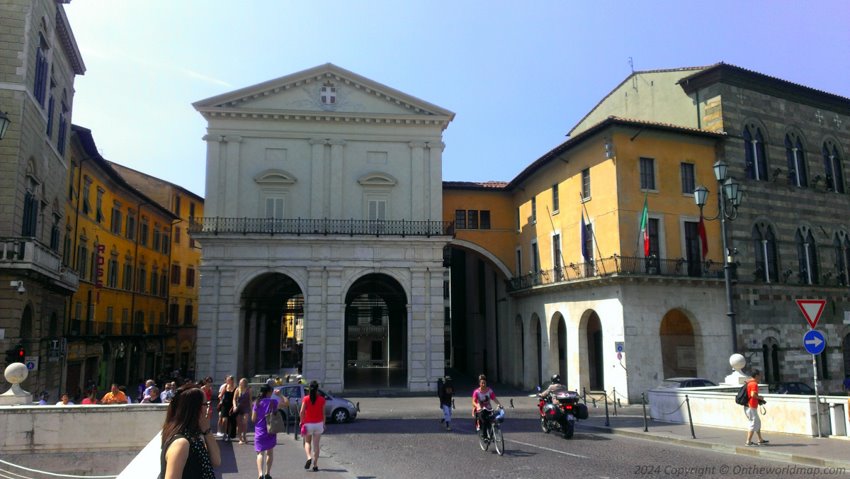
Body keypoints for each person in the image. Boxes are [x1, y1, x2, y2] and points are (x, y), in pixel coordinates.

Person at [160, 383, 221, 479]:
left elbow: (216, 461)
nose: (208, 409)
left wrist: (206, 430)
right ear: (197, 408)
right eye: (206, 404)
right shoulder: (181, 443)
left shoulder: (194, 436)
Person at [252, 384, 288, 479]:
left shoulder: (257, 403)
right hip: (271, 430)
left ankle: (260, 474)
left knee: (260, 453)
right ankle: (267, 473)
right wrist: (280, 395)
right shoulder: (273, 402)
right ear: (268, 392)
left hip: (259, 431)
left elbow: (253, 419)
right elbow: (286, 403)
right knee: (270, 452)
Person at [300, 381, 326, 472]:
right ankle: (315, 465)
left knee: (307, 442)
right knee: (316, 445)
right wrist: (324, 423)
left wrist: (301, 421)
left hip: (308, 424)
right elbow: (323, 414)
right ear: (317, 388)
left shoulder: (306, 399)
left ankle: (308, 457)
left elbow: (302, 412)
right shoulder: (322, 399)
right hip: (318, 424)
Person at [744, 369, 768, 446]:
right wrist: (760, 398)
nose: (761, 376)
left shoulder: (749, 383)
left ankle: (760, 439)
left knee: (757, 422)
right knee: (753, 423)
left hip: (749, 406)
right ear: (757, 376)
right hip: (751, 406)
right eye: (760, 375)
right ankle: (748, 442)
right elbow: (752, 395)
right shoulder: (754, 384)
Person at [233, 378, 253, 444]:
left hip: (246, 408)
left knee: (245, 422)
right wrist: (235, 406)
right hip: (239, 408)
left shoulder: (248, 390)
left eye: (242, 382)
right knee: (239, 424)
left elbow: (250, 400)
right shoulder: (237, 390)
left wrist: (251, 409)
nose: (240, 383)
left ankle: (244, 435)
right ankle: (240, 438)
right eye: (240, 382)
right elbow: (234, 399)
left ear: (245, 383)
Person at [218, 375, 237, 441]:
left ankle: (229, 435)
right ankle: (224, 433)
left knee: (230, 421)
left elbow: (235, 397)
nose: (227, 381)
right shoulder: (225, 386)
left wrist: (234, 405)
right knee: (224, 420)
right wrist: (220, 398)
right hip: (224, 405)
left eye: (228, 380)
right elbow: (220, 395)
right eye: (227, 380)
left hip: (231, 405)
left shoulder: (235, 388)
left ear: (232, 380)